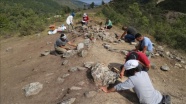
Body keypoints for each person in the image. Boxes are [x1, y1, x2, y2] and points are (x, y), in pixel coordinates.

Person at [101, 60, 171, 104]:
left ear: (130, 70)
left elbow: (119, 87)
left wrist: (107, 90)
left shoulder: (133, 79)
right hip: (160, 97)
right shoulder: (144, 73)